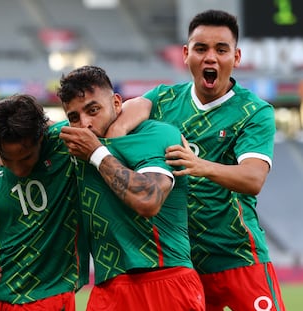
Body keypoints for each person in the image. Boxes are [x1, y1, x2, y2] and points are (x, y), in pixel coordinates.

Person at [115, 9, 286, 311]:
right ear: (185, 53)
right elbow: (121, 123)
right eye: (201, 48)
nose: (210, 57)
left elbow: (253, 179)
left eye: (221, 49)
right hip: (183, 264)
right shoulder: (163, 99)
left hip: (238, 256)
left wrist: (198, 166)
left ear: (236, 57)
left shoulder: (254, 112)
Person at [56, 65, 205, 311]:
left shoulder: (157, 134)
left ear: (117, 103)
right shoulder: (71, 143)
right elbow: (21, 130)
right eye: (74, 117)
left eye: (93, 110)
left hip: (166, 279)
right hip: (109, 287)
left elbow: (148, 200)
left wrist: (97, 153)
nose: (85, 124)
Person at [0, 94, 88, 311]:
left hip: (50, 294)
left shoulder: (64, 146)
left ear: (41, 137)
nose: (18, 169)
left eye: (27, 157)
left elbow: (103, 116)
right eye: (7, 159)